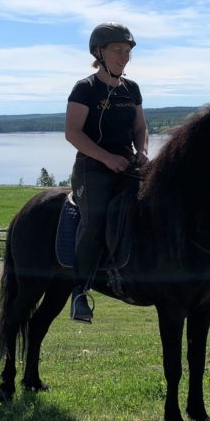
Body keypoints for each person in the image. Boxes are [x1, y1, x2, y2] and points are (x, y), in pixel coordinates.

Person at [65, 23, 149, 322]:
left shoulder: (132, 89)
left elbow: (140, 128)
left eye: (127, 51)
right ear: (99, 52)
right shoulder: (85, 88)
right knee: (97, 218)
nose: (124, 57)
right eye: (117, 51)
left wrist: (142, 151)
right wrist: (106, 158)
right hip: (92, 167)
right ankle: (81, 291)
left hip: (127, 164)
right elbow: (73, 133)